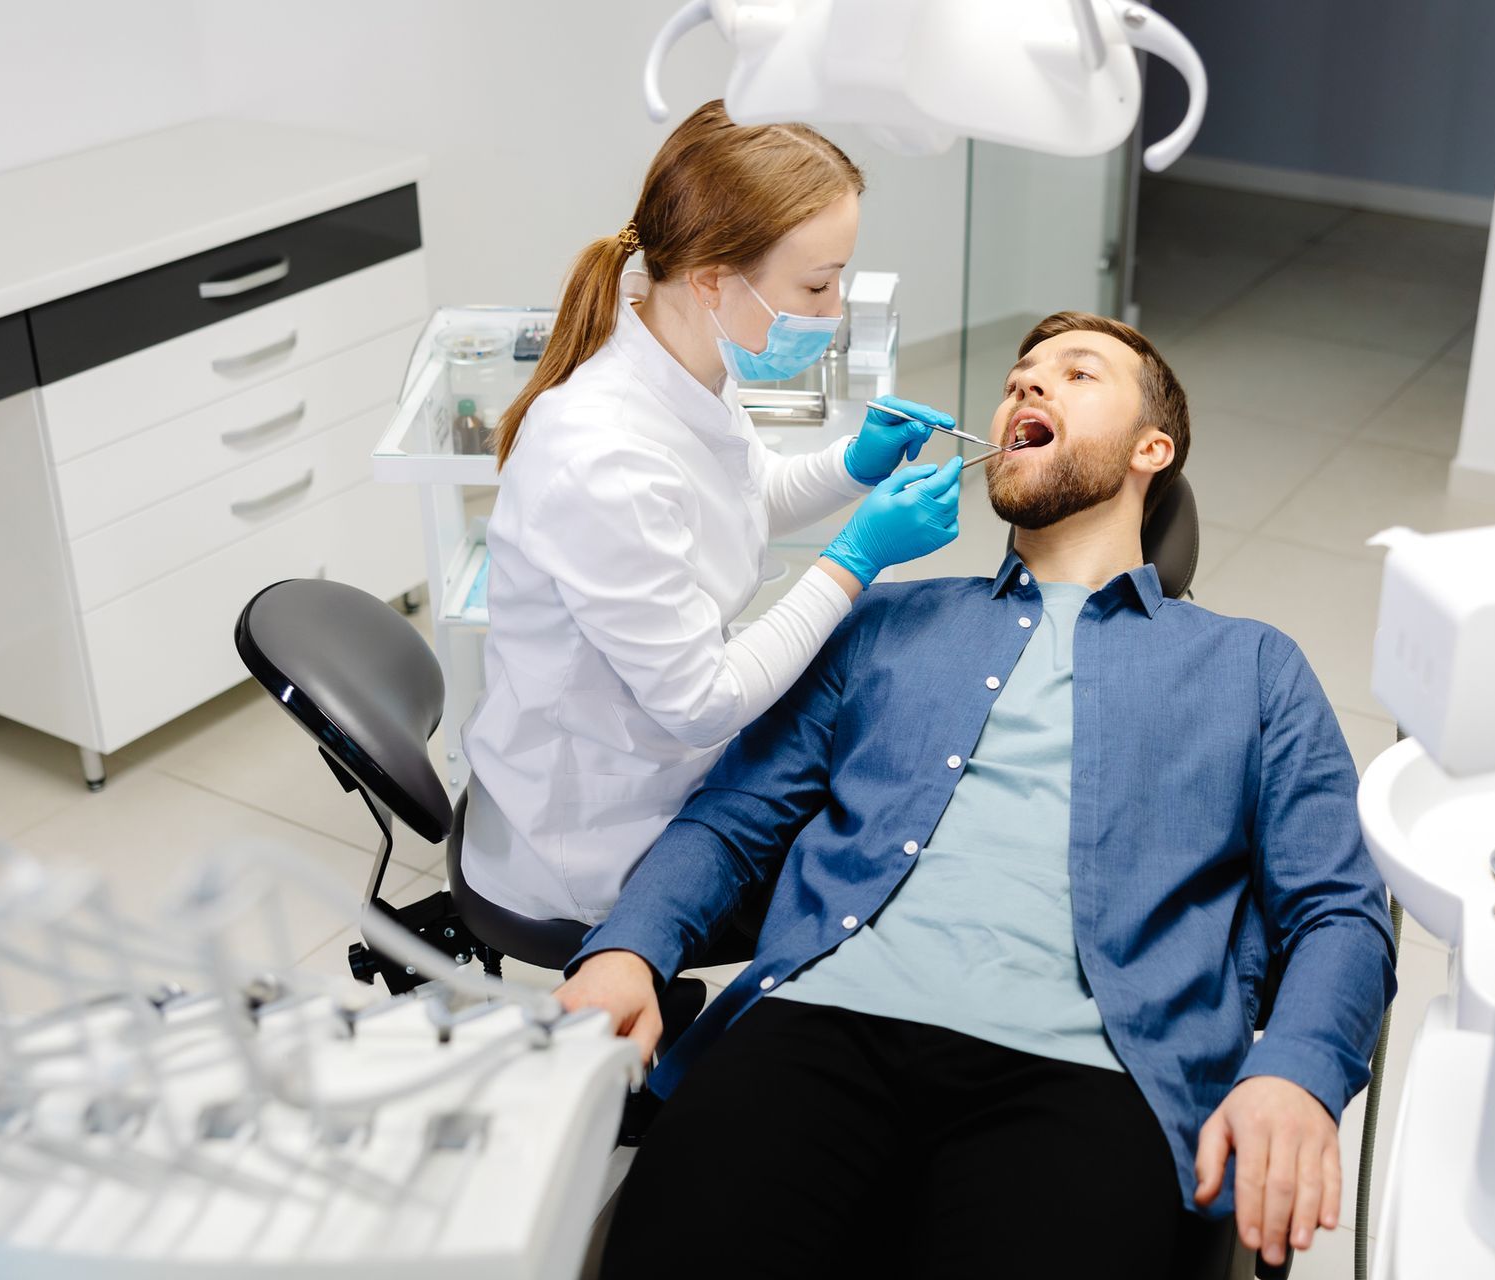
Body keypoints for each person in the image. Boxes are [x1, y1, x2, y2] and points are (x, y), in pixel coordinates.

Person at [556, 310, 1398, 1276]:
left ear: (1150, 449)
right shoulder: (884, 620)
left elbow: (1339, 911)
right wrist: (630, 947)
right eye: (1019, 376)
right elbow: (735, 817)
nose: (1026, 387)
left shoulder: (1252, 668)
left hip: (1092, 1073)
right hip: (820, 1028)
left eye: (1077, 375)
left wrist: (1297, 1071)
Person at [460, 101, 966, 928]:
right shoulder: (601, 458)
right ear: (713, 280)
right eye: (816, 283)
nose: (835, 308)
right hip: (597, 832)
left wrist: (854, 464)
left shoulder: (684, 356)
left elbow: (737, 498)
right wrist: (855, 558)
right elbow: (700, 702)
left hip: (652, 755)